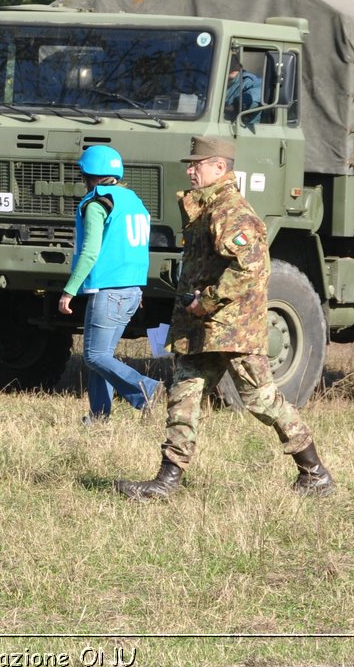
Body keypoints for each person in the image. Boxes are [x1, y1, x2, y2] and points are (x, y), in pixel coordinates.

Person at [115, 135, 335, 501]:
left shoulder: (230, 211)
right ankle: (167, 480)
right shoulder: (206, 207)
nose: (190, 170)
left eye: (196, 165)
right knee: (183, 396)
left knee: (261, 400)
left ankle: (315, 472)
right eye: (190, 164)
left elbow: (250, 268)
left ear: (219, 167)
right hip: (203, 328)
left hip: (231, 328)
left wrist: (208, 301)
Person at [57, 145, 160, 422]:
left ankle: (147, 389)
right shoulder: (132, 200)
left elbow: (90, 251)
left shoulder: (97, 203)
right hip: (132, 290)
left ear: (87, 174)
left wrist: (69, 289)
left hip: (110, 290)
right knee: (103, 356)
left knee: (94, 356)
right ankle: (99, 416)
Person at [224, 62, 263, 130]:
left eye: (233, 62)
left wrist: (234, 105)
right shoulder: (211, 80)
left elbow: (255, 98)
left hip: (242, 128)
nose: (232, 67)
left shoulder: (250, 81)